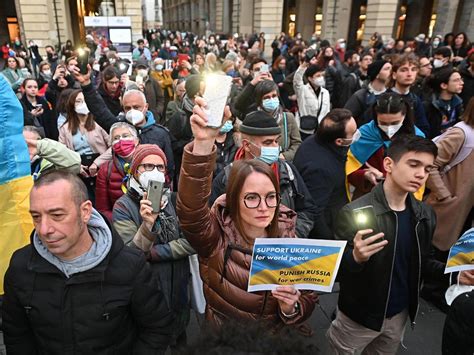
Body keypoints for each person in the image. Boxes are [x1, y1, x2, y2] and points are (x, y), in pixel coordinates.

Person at [176, 99, 318, 328]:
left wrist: (291, 308)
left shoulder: (289, 238)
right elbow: (191, 212)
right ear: (232, 199)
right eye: (251, 197)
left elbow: (308, 297)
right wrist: (203, 143)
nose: (263, 207)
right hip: (225, 341)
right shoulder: (216, 238)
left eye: (271, 196)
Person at [2, 170, 173, 354]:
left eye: (57, 215)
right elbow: (17, 335)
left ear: (85, 212)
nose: (44, 229)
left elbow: (156, 329)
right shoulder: (20, 267)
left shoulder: (130, 266)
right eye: (36, 217)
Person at [327, 135, 444, 354]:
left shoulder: (425, 215)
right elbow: (335, 269)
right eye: (414, 164)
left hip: (399, 316)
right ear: (388, 164)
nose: (421, 174)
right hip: (357, 318)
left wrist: (455, 274)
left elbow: (424, 261)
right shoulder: (354, 212)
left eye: (428, 169)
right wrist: (355, 258)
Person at [113, 144, 193, 351]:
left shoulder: (175, 200)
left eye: (160, 167)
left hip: (179, 287)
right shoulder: (124, 206)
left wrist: (155, 252)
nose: (154, 172)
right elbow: (133, 254)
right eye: (147, 166)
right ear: (135, 170)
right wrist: (147, 225)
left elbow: (191, 242)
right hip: (148, 291)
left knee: (180, 339)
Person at [211, 111, 316, 238]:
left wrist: (292, 235)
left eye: (276, 141)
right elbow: (213, 222)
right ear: (247, 145)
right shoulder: (227, 178)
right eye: (267, 143)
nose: (275, 147)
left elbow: (307, 210)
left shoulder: (288, 171)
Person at [72, 69, 175, 177]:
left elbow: (169, 168)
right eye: (127, 108)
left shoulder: (160, 133)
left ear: (146, 107)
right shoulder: (118, 128)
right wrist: (86, 85)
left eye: (136, 107)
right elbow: (99, 110)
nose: (132, 111)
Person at [347, 92, 426, 200]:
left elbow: (421, 173)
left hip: (404, 199)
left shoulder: (417, 138)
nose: (389, 128)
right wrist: (365, 174)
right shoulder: (363, 135)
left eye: (395, 123)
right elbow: (348, 169)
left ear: (405, 116)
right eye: (383, 123)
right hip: (368, 198)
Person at [294, 109, 359, 239]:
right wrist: (330, 243)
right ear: (339, 141)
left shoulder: (317, 140)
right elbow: (315, 212)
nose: (357, 135)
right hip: (330, 227)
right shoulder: (320, 169)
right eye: (353, 133)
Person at [96, 122, 139, 222]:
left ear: (136, 141)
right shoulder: (105, 170)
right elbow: (102, 209)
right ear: (111, 145)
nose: (121, 140)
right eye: (116, 138)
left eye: (125, 136)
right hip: (120, 225)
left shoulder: (149, 162)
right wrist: (120, 222)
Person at [254, 80, 301, 160]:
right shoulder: (254, 120)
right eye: (266, 97)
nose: (271, 99)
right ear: (260, 101)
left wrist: (284, 156)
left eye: (274, 96)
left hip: (283, 163)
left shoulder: (288, 118)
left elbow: (297, 143)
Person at [387, 53, 430, 136]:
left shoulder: (415, 100)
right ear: (394, 75)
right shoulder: (383, 99)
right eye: (404, 70)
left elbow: (424, 128)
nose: (409, 74)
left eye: (413, 69)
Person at [344, 59, 392, 126]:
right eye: (387, 69)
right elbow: (346, 118)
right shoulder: (360, 96)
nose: (391, 72)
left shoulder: (392, 94)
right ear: (377, 74)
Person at [293, 62, 331, 139]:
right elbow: (297, 81)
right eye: (318, 76)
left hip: (320, 130)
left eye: (322, 75)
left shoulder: (325, 92)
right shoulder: (302, 90)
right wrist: (303, 66)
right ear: (310, 78)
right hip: (304, 129)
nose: (321, 78)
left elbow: (327, 111)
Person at [424, 67, 464, 138]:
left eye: (461, 79)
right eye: (456, 80)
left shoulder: (458, 102)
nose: (462, 83)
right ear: (444, 85)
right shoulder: (429, 105)